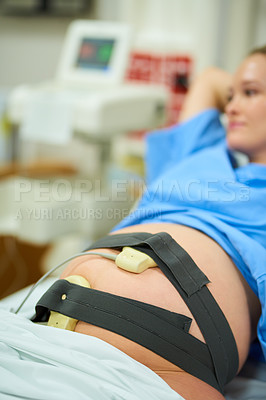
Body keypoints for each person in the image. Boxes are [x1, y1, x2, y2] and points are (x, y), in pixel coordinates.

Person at [56, 45, 266, 400]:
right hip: (60, 304)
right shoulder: (201, 150)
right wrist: (244, 86)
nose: (230, 107)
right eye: (231, 97)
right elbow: (210, 81)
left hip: (175, 340)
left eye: (250, 93)